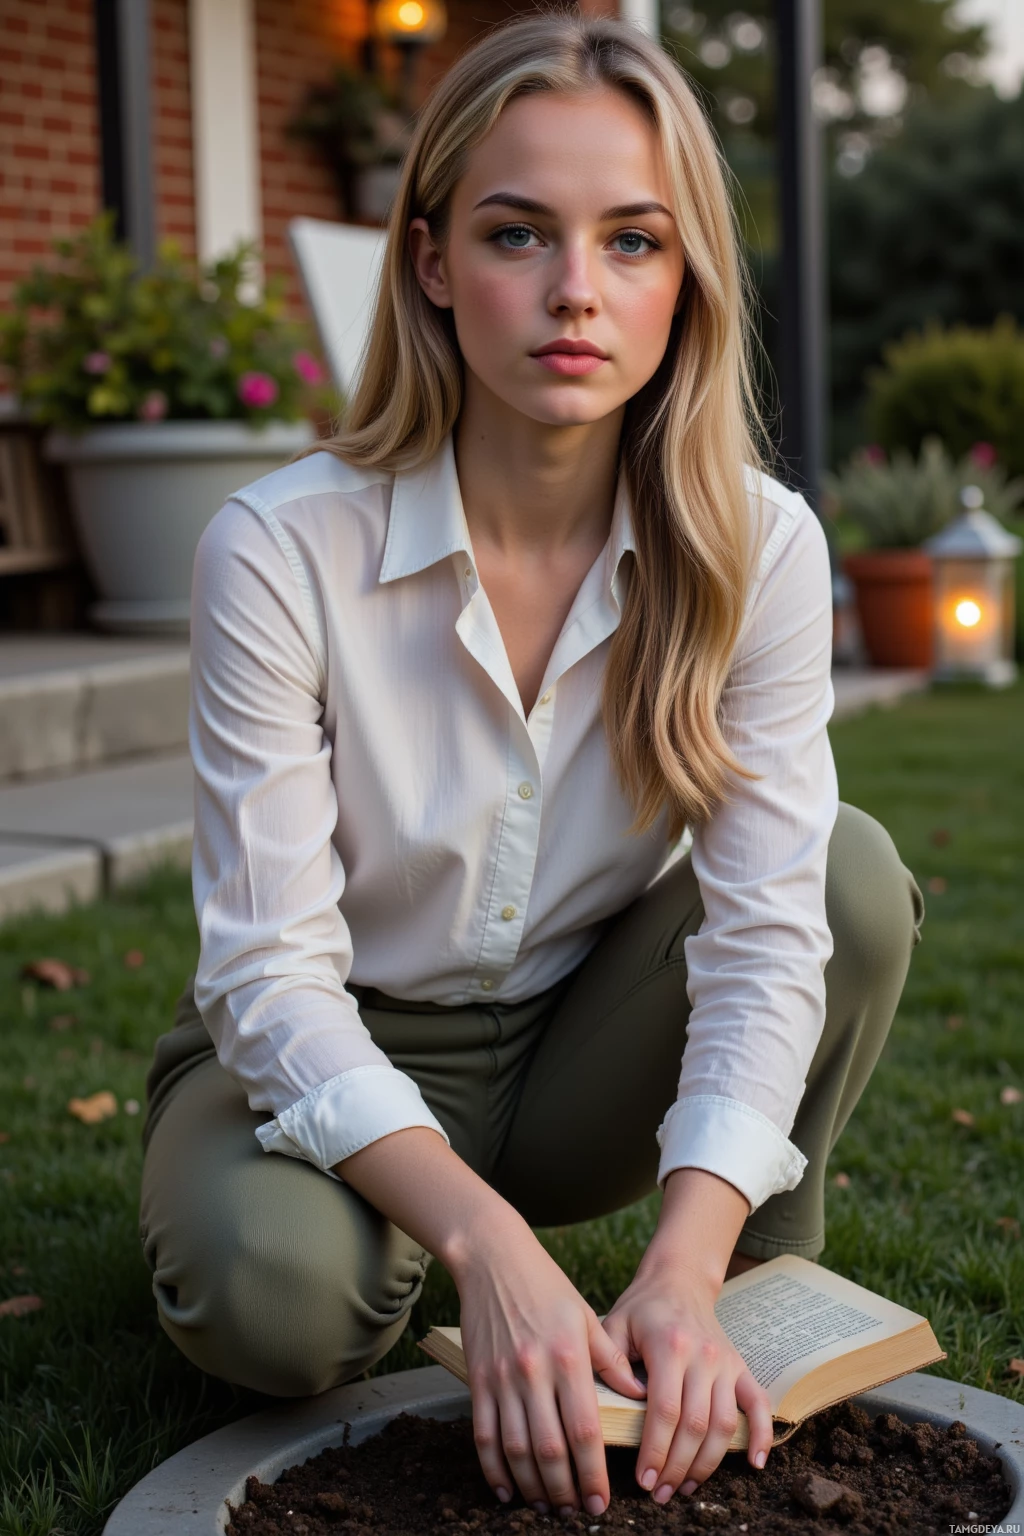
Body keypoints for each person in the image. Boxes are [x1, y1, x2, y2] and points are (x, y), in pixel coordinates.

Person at [138, 10, 925, 1523]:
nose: (577, 289)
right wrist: (492, 1252)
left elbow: (767, 935)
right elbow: (270, 979)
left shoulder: (757, 547)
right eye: (518, 234)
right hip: (338, 1030)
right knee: (273, 1303)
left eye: (632, 240)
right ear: (432, 262)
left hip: (581, 1045)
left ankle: (743, 1277)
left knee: (850, 878)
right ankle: (379, 1237)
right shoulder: (279, 551)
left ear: (686, 274)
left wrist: (676, 1264)